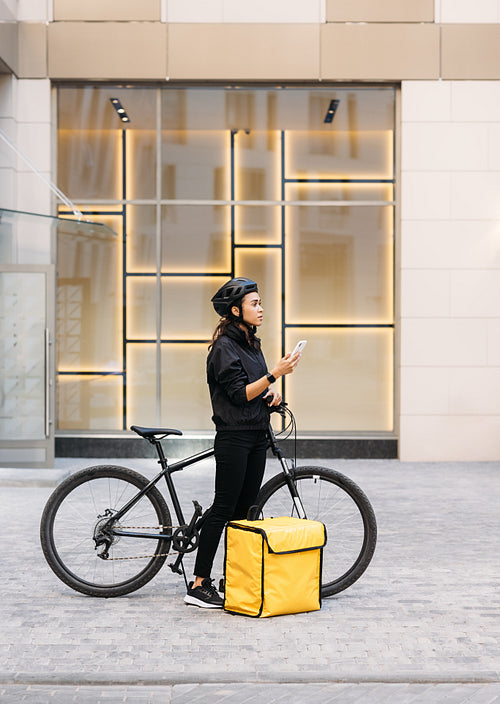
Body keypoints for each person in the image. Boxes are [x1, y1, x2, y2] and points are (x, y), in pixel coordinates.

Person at [184, 277, 301, 608]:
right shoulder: (223, 348)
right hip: (234, 437)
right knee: (223, 508)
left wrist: (270, 396)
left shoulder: (252, 344)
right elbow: (237, 394)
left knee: (244, 511)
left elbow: (253, 390)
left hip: (256, 434)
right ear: (235, 311)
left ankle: (233, 576)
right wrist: (275, 374)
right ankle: (198, 585)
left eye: (260, 302)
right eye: (254, 304)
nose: (261, 308)